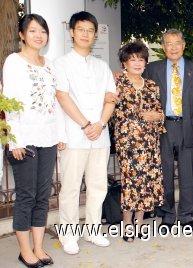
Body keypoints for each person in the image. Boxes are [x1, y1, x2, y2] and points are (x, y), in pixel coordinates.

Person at [2, 14, 66, 267]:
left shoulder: (49, 64)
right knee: (26, 196)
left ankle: (39, 248)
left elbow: (54, 103)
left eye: (42, 31)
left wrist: (60, 135)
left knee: (42, 195)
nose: (39, 35)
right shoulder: (14, 62)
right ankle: (24, 250)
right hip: (24, 139)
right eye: (32, 31)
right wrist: (14, 140)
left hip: (47, 137)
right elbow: (8, 102)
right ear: (22, 35)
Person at [54, 11, 116, 254]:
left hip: (100, 137)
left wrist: (100, 123)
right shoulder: (61, 63)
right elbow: (62, 96)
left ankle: (92, 230)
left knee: (97, 186)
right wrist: (85, 124)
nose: (85, 34)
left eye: (90, 30)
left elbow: (110, 98)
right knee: (70, 188)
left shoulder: (102, 66)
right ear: (72, 32)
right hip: (74, 135)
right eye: (81, 29)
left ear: (95, 35)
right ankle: (68, 235)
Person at [143, 29, 193, 231]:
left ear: (183, 45)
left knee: (188, 172)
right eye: (169, 43)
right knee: (165, 171)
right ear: (163, 47)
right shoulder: (152, 70)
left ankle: (187, 215)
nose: (173, 47)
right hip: (163, 126)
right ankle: (167, 214)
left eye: (177, 43)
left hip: (188, 125)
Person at [112, 41, 165, 242]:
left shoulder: (151, 85)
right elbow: (114, 113)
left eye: (141, 59)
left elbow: (159, 113)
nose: (137, 63)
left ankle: (140, 224)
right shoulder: (117, 83)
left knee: (147, 182)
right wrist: (144, 116)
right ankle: (127, 225)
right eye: (132, 59)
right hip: (128, 142)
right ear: (124, 63)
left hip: (149, 142)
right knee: (131, 182)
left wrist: (157, 117)